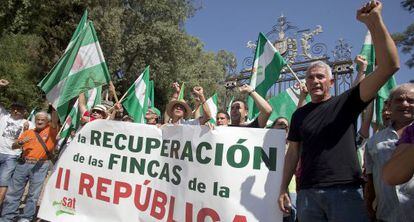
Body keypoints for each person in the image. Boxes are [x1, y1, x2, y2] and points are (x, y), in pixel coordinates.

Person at [278, 2, 400, 221]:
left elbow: (389, 65)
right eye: (310, 77)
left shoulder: (347, 102)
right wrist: (283, 187)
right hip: (307, 195)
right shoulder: (299, 115)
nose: (315, 81)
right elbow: (293, 153)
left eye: (320, 76)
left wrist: (374, 23)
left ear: (331, 81)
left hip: (345, 193)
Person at [365, 83, 414, 222]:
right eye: (399, 100)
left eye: (411, 100)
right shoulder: (374, 142)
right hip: (386, 216)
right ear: (389, 105)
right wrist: (370, 206)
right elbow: (370, 180)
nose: (405, 104)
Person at [1, 109, 59, 222]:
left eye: (43, 120)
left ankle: (26, 218)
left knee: (33, 195)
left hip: (40, 165)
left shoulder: (51, 130)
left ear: (47, 121)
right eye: (38, 119)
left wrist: (53, 107)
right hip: (23, 164)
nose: (39, 121)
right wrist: (20, 143)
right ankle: (7, 217)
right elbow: (14, 146)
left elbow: (55, 120)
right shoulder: (28, 132)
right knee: (13, 193)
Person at [0, 80, 31, 206]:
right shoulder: (4, 116)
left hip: (11, 156)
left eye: (19, 109)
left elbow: (29, 141)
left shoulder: (28, 123)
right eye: (14, 108)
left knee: (3, 183)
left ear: (24, 111)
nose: (16, 111)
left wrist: (25, 130)